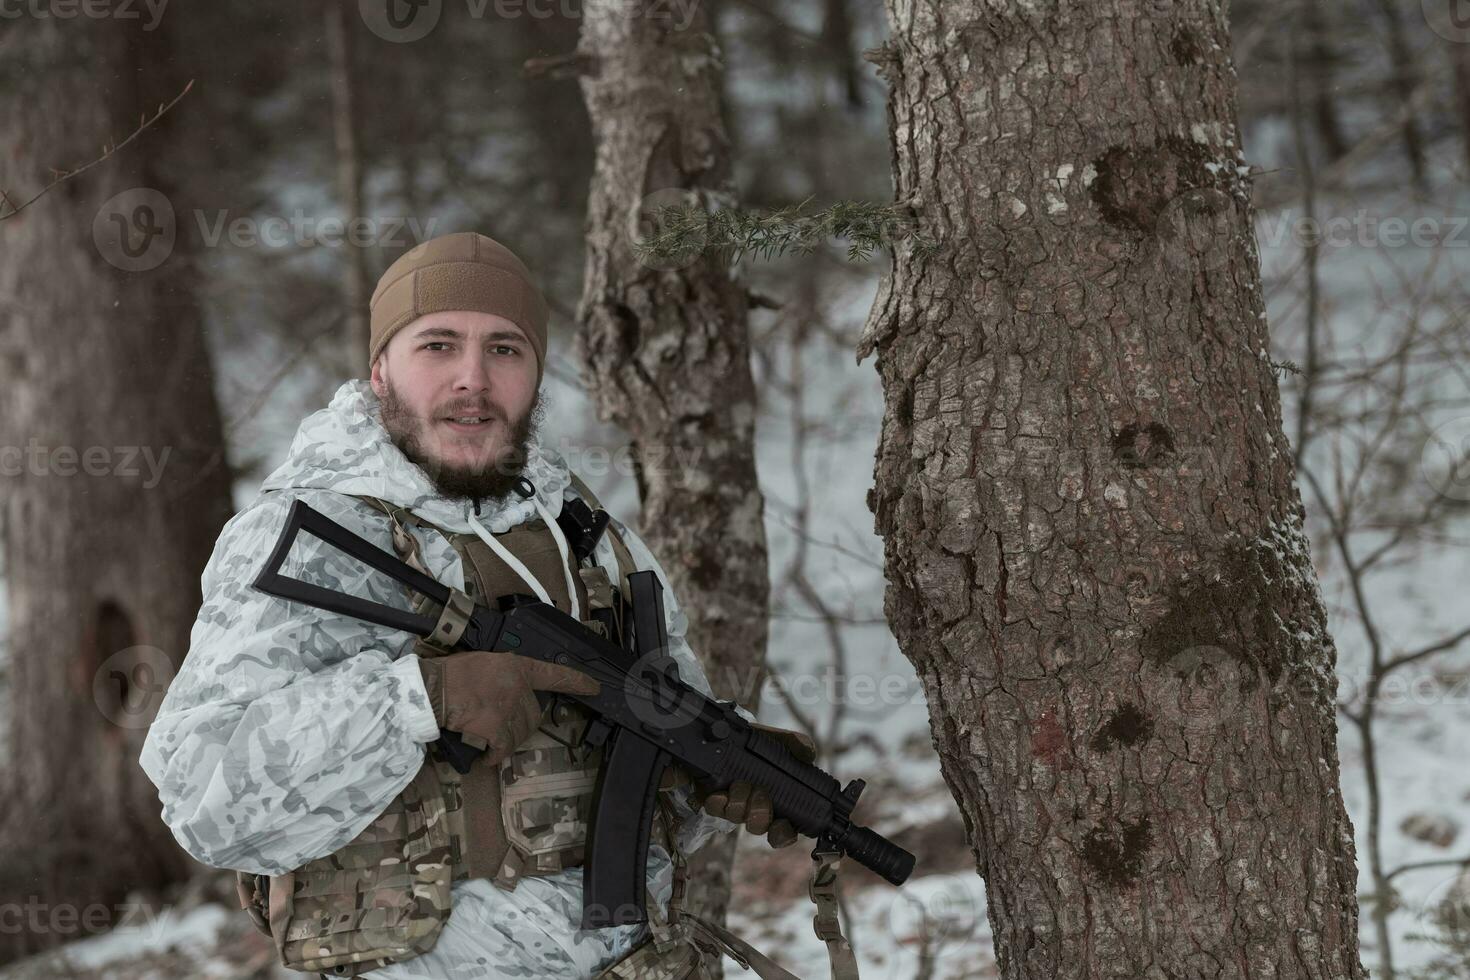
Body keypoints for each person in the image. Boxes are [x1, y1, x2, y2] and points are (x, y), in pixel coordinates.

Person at [138, 232, 822, 979]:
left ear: (534, 374)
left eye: (504, 349)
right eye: (437, 345)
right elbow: (205, 797)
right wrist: (417, 700)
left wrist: (721, 762)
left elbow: (625, 754)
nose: (473, 378)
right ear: (379, 370)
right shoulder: (316, 537)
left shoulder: (587, 534)